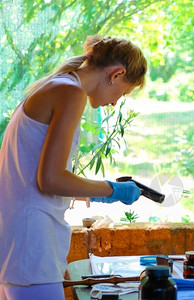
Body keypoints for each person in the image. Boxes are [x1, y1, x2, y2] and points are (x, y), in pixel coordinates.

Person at [0, 35, 147, 300]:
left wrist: (96, 192)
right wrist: (111, 190)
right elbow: (51, 179)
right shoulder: (71, 91)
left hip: (19, 243)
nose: (115, 102)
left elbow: (34, 178)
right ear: (117, 74)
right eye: (123, 93)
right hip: (31, 245)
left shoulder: (57, 86)